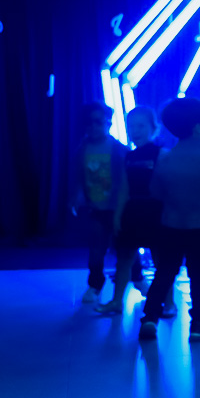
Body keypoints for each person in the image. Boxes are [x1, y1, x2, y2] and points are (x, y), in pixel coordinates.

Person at [138, 98, 200, 342]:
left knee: (164, 272)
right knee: (199, 275)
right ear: (198, 128)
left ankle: (150, 317)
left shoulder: (165, 158)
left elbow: (155, 191)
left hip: (171, 225)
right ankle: (199, 324)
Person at [99, 105, 162, 315]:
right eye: (131, 126)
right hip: (132, 211)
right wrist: (118, 215)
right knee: (124, 257)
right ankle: (117, 300)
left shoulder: (161, 154)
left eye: (141, 126)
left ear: (153, 128)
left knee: (161, 259)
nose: (135, 131)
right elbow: (124, 188)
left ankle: (167, 302)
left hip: (155, 211)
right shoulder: (129, 156)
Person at [73, 103, 127, 303]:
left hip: (119, 209)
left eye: (98, 121)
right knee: (96, 249)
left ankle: (137, 278)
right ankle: (95, 284)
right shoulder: (82, 150)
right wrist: (77, 196)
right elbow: (79, 177)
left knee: (125, 247)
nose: (94, 126)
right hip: (95, 208)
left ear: (108, 123)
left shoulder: (119, 149)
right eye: (89, 122)